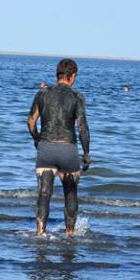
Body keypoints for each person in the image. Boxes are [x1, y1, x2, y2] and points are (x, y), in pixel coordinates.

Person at [27, 59, 90, 236]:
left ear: (57, 75)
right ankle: (69, 234)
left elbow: (31, 122)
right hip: (67, 149)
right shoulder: (77, 97)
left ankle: (40, 233)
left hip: (46, 149)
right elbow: (82, 127)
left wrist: (38, 139)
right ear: (73, 76)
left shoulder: (42, 94)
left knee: (44, 194)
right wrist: (86, 153)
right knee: (70, 195)